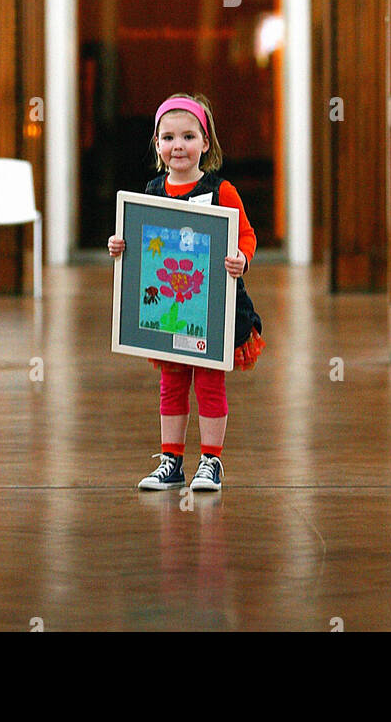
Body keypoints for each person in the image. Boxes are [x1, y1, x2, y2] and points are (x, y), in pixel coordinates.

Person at [108, 92, 265, 494]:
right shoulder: (151, 192)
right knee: (172, 384)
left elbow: (246, 235)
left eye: (189, 136)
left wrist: (241, 260)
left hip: (211, 309)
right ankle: (171, 461)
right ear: (157, 145)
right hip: (167, 313)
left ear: (205, 143)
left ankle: (211, 461)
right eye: (169, 137)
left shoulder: (222, 191)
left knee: (210, 383)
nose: (178, 145)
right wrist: (120, 247)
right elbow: (140, 243)